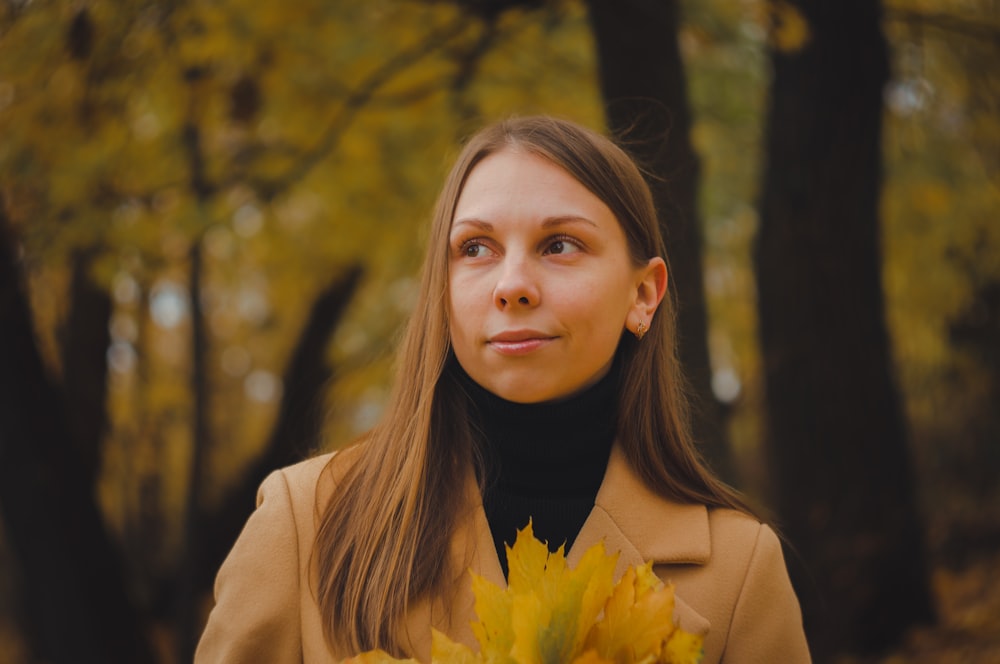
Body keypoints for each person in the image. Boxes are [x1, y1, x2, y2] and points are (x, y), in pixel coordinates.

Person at [195, 116, 810, 663]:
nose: (512, 285)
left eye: (560, 245)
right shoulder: (305, 522)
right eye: (476, 248)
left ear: (643, 295)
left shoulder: (739, 568)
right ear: (442, 289)